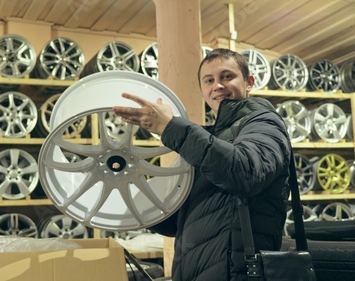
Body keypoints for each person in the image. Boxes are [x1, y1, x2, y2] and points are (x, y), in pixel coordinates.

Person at [113, 48, 292, 281]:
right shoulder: (211, 140)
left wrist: (171, 128)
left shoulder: (264, 122)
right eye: (209, 80)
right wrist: (133, 181)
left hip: (237, 272)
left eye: (227, 76)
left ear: (249, 82)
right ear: (202, 90)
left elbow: (245, 172)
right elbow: (176, 222)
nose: (217, 85)